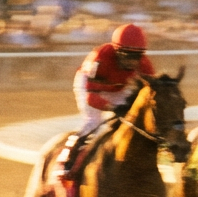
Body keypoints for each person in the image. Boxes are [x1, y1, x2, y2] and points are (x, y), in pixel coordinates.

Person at [53, 23, 156, 184]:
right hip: (91, 87)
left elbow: (151, 92)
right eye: (127, 55)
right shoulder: (99, 57)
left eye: (137, 56)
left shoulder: (144, 63)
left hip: (118, 87)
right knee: (94, 123)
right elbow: (91, 98)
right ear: (116, 50)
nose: (132, 61)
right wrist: (114, 107)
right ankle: (66, 161)